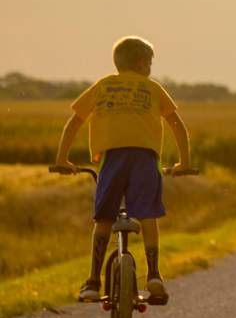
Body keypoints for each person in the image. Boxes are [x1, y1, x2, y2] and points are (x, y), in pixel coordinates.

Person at [54, 36, 192, 303]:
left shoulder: (103, 86)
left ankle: (93, 282)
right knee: (148, 215)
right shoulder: (152, 88)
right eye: (150, 64)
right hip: (146, 156)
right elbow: (178, 126)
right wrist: (183, 164)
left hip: (112, 157)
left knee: (104, 217)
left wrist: (63, 159)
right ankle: (154, 275)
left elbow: (74, 122)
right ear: (142, 64)